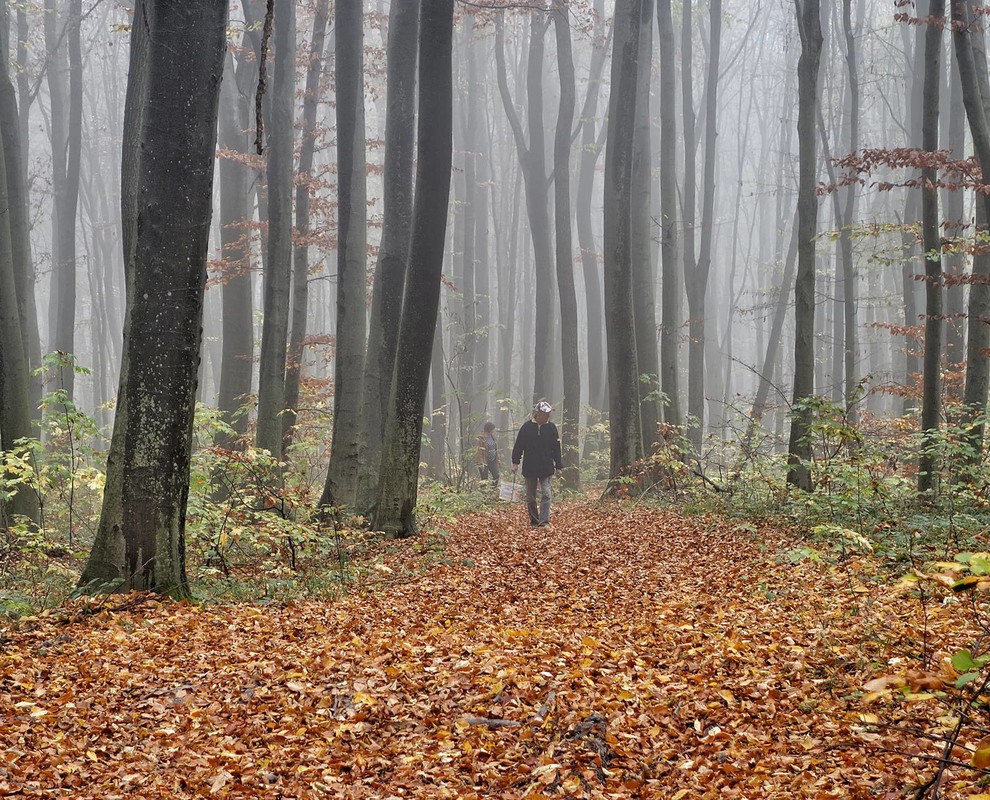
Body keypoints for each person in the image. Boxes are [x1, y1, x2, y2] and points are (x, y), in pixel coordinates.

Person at [511, 400, 562, 527]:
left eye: (549, 413)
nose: (548, 416)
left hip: (546, 467)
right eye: (546, 413)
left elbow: (556, 448)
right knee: (531, 497)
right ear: (538, 413)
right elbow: (519, 446)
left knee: (546, 493)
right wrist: (515, 462)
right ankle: (534, 521)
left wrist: (559, 466)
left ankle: (544, 521)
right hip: (530, 467)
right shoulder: (526, 427)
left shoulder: (551, 428)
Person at [476, 421, 500, 488]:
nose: (493, 431)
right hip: (484, 461)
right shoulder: (481, 438)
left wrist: (497, 459)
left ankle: (492, 489)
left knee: (496, 475)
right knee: (484, 479)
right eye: (492, 430)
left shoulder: (492, 437)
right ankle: (483, 494)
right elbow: (479, 451)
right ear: (489, 429)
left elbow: (495, 448)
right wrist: (481, 463)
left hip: (492, 460)